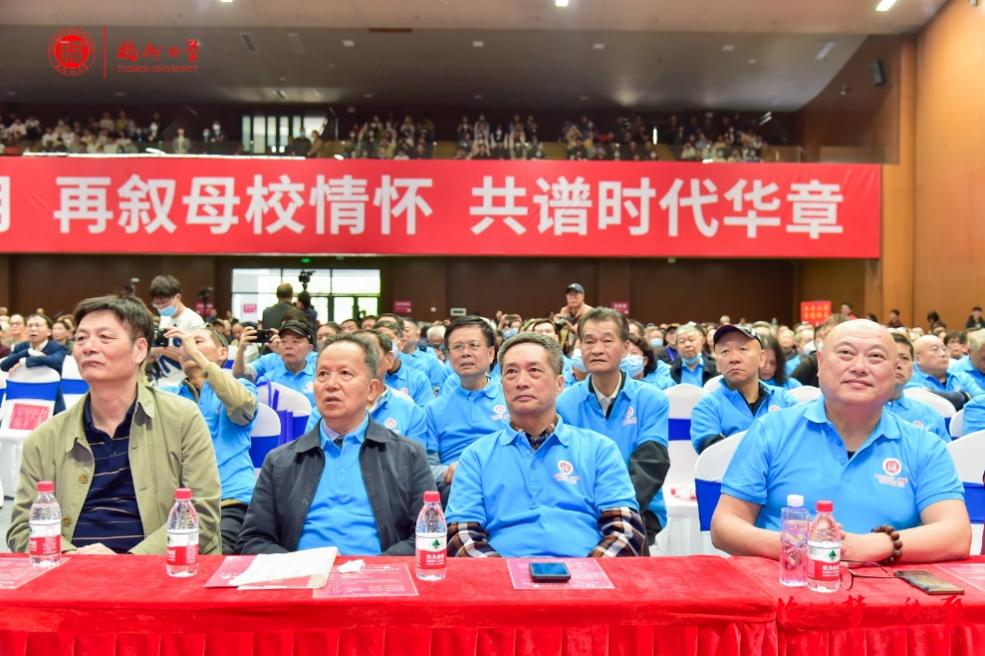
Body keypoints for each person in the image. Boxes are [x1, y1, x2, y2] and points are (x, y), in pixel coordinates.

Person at [711, 320, 970, 562]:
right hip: (784, 580)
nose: (859, 367)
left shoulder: (924, 446)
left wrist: (873, 545)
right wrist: (793, 544)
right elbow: (724, 526)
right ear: (821, 363)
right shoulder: (772, 430)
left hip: (884, 588)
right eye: (846, 353)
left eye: (876, 357)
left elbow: (956, 535)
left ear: (895, 372)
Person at [6, 295, 221, 555]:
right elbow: (23, 528)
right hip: (70, 571)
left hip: (162, 571)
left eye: (105, 337)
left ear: (139, 350)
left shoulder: (182, 419)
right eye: (81, 338)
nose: (88, 347)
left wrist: (126, 563)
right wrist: (71, 558)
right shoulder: (44, 438)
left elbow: (202, 514)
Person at [446, 332, 644, 558]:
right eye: (511, 372)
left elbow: (624, 531)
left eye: (534, 371)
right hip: (503, 572)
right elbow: (461, 536)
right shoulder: (476, 456)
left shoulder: (600, 449)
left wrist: (586, 574)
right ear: (502, 386)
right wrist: (503, 575)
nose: (521, 382)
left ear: (559, 384)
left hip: (586, 571)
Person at [235, 334, 434, 555]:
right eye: (322, 374)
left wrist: (376, 566)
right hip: (303, 572)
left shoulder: (407, 455)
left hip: (379, 572)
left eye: (345, 373)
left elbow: (428, 535)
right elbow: (252, 540)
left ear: (372, 389)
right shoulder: (280, 461)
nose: (331, 384)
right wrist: (298, 565)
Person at [556, 308, 670, 543]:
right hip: (581, 509)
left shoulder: (651, 399)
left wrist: (615, 511)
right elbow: (564, 466)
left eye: (607, 341)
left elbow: (651, 464)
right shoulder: (564, 403)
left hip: (639, 506)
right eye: (589, 341)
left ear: (626, 347)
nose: (597, 349)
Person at [164, 326, 259, 554]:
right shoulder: (169, 395)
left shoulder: (241, 386)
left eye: (197, 341)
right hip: (179, 506)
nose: (188, 347)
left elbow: (240, 405)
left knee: (213, 555)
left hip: (230, 501)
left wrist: (199, 358)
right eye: (185, 343)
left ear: (222, 353)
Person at [424, 316, 509, 500]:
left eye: (474, 345)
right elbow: (427, 467)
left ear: (491, 354)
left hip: (503, 481)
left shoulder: (511, 398)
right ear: (449, 356)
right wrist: (451, 472)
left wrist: (475, 469)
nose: (465, 353)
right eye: (458, 347)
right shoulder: (434, 409)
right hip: (455, 487)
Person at [304, 329, 428, 446]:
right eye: (323, 374)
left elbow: (414, 458)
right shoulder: (321, 413)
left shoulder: (409, 410)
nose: (363, 359)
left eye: (370, 352)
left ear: (389, 359)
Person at [691, 326, 793, 454]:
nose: (734, 358)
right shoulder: (706, 407)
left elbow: (799, 446)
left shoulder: (784, 399)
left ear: (762, 358)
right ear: (717, 364)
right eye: (725, 351)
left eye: (743, 349)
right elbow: (714, 455)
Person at [233, 320, 317, 406]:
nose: (288, 346)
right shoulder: (267, 381)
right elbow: (240, 375)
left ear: (309, 348)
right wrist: (241, 349)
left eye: (295, 341)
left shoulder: (319, 377)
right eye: (283, 341)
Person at [885, 333, 949, 442]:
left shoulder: (930, 414)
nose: (898, 364)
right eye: (890, 357)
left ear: (913, 366)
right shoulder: (859, 412)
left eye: (904, 358)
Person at [1, 313, 68, 413]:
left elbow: (56, 361)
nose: (33, 329)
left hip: (50, 396)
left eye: (37, 325)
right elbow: (4, 365)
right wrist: (28, 352)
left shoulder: (57, 347)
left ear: (49, 332)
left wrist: (26, 361)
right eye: (30, 325)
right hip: (22, 396)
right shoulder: (21, 347)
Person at [148, 275, 205, 386]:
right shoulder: (165, 318)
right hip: (164, 379)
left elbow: (199, 357)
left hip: (185, 382)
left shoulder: (194, 320)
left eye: (164, 302)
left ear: (177, 297)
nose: (161, 307)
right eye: (157, 303)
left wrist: (162, 350)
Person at [373, 319, 433, 406]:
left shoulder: (418, 379)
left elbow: (423, 413)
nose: (383, 344)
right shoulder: (366, 377)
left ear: (402, 343)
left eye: (389, 338)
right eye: (378, 340)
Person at [907, 335, 981, 398]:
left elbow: (981, 400)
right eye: (935, 349)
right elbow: (928, 401)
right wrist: (965, 396)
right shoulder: (909, 380)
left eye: (944, 349)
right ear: (918, 359)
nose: (943, 354)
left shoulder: (961, 377)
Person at [792, 314, 850, 387]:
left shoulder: (857, 363)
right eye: (828, 334)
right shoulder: (811, 363)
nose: (833, 338)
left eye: (839, 334)